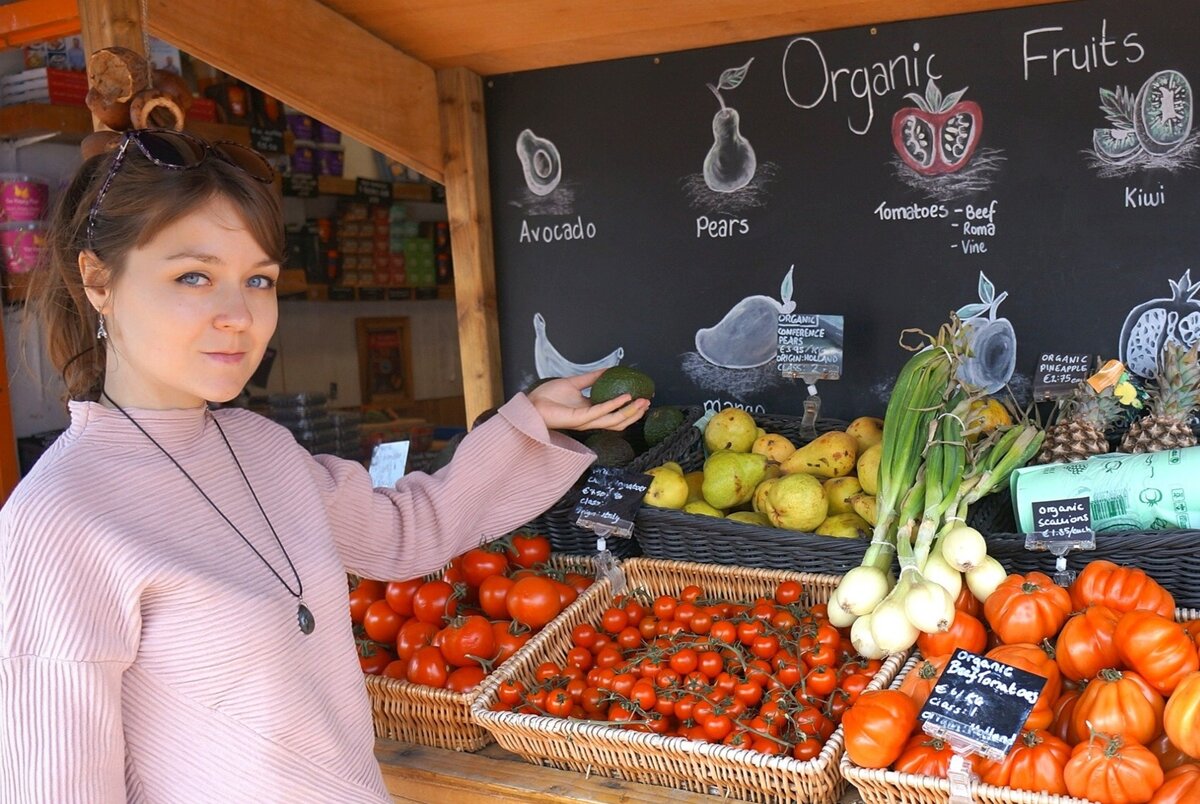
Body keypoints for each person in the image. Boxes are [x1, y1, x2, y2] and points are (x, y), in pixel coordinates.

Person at [0, 128, 648, 803]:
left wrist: (531, 421)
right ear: (98, 280)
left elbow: (408, 531)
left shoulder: (261, 446)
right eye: (193, 276)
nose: (239, 315)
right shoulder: (59, 521)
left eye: (259, 280)